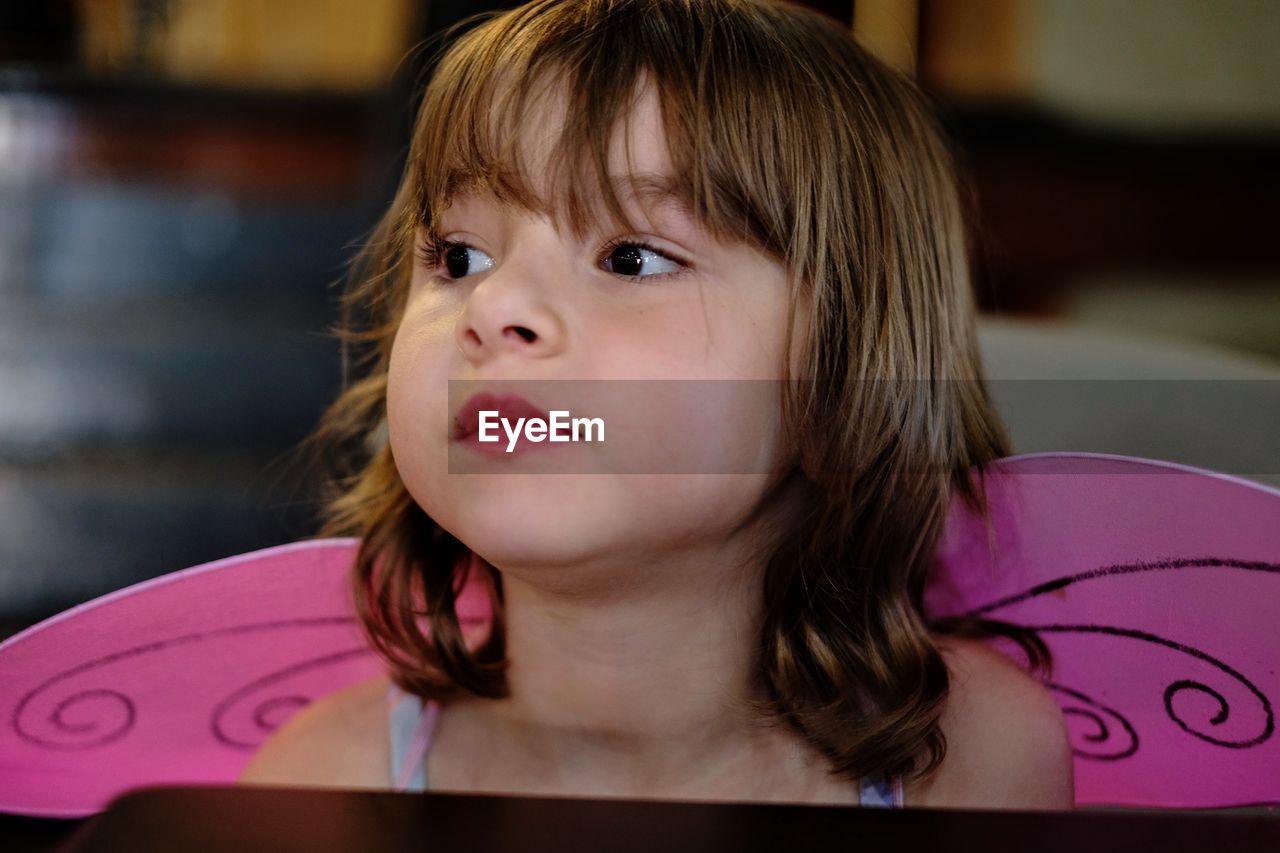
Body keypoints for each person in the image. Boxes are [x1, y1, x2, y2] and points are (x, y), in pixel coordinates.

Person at [239, 0, 1073, 809]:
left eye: (633, 258)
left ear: (843, 372)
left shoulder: (975, 757)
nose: (494, 309)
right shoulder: (319, 783)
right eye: (459, 257)